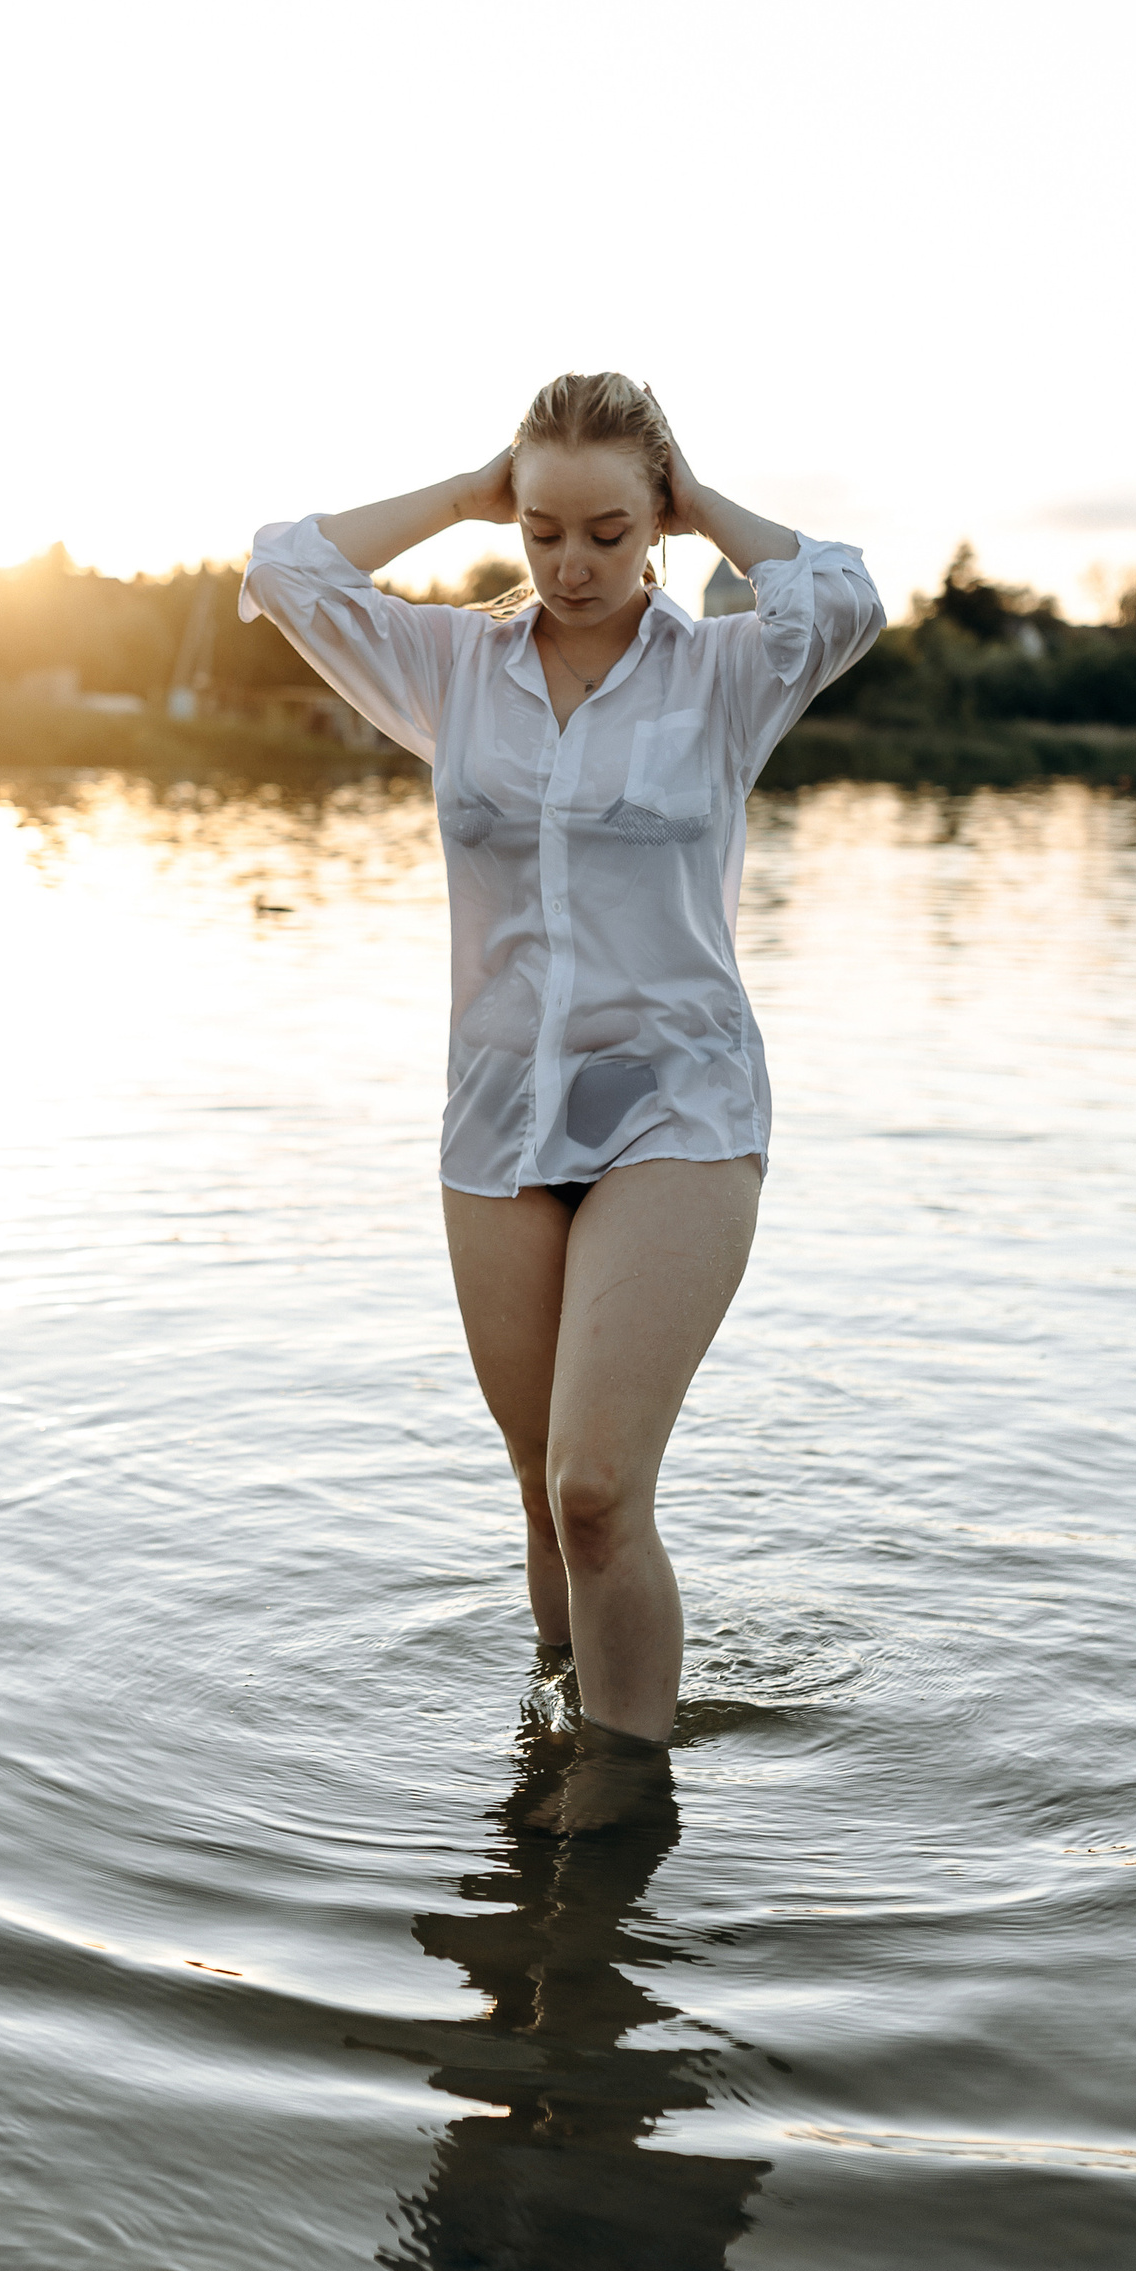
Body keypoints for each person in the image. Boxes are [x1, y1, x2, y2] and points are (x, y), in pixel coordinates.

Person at [239, 373, 883, 1752]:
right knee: (542, 1494)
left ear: (658, 522)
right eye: (542, 531)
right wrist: (465, 495)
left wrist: (704, 501)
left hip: (677, 1106)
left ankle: (619, 1811)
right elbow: (284, 570)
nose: (572, 564)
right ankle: (557, 1760)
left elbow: (842, 594)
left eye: (608, 531)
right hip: (498, 1120)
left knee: (597, 1488)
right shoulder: (452, 670)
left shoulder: (725, 676)